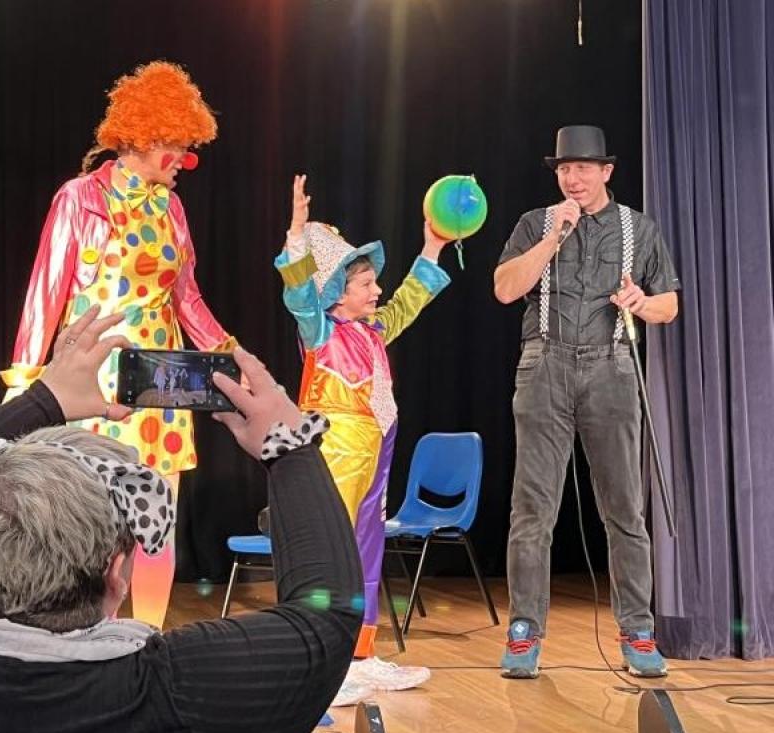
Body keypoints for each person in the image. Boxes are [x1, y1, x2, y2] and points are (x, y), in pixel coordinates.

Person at [0, 309, 361, 733]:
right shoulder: (184, 689)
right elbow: (330, 614)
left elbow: (329, 613)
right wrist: (289, 449)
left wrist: (43, 400)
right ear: (117, 573)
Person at [0, 61, 237, 629]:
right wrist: (24, 383)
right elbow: (44, 293)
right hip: (93, 382)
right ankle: (75, 637)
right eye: (177, 146)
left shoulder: (172, 208)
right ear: (145, 136)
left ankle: (147, 640)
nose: (184, 159)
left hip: (161, 383)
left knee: (156, 521)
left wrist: (233, 358)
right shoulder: (81, 198)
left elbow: (187, 298)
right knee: (87, 519)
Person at [493, 125, 680, 679]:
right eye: (564, 169)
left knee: (624, 508)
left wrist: (640, 302)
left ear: (606, 172)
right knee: (532, 509)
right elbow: (505, 289)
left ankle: (638, 631)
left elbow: (669, 306)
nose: (572, 178)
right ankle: (524, 633)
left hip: (612, 368)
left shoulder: (638, 228)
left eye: (582, 168)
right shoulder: (535, 223)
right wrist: (553, 236)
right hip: (545, 365)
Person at [274, 174, 450, 692]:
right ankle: (322, 660)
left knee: (366, 549)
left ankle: (360, 653)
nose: (377, 291)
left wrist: (433, 247)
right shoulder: (319, 329)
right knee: (330, 553)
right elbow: (299, 293)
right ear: (337, 292)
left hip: (377, 447)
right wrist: (297, 235)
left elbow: (411, 299)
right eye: (366, 284)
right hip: (336, 448)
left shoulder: (372, 330)